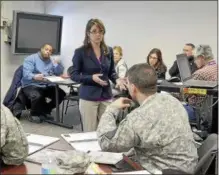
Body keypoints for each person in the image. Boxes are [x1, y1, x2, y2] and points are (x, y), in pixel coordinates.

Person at [97, 63, 198, 174]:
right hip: (188, 167)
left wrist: (111, 109)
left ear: (133, 88)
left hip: (163, 170)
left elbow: (106, 143)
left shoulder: (138, 118)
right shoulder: (172, 101)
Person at [71, 19, 126, 132]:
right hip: (89, 97)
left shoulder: (108, 50)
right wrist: (91, 78)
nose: (98, 34)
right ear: (88, 33)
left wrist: (118, 80)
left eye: (101, 31)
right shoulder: (80, 52)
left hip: (105, 95)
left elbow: (111, 72)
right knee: (90, 132)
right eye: (94, 31)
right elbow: (74, 74)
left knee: (106, 130)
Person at [21, 44, 66, 123]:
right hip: (31, 84)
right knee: (37, 95)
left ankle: (45, 110)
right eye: (46, 49)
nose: (48, 52)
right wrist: (34, 76)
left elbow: (59, 72)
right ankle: (33, 114)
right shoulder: (31, 58)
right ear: (41, 49)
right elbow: (26, 73)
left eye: (50, 51)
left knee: (61, 94)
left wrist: (56, 64)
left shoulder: (51, 60)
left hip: (46, 84)